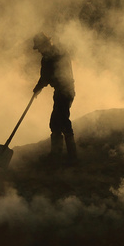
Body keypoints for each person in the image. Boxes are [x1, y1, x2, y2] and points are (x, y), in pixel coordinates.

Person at [32, 33, 77, 165]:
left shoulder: (55, 56)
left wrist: (39, 87)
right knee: (56, 122)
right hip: (62, 91)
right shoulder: (52, 55)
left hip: (65, 91)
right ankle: (59, 155)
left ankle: (70, 157)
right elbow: (45, 77)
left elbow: (49, 76)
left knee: (62, 121)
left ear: (45, 44)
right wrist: (37, 89)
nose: (39, 51)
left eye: (39, 47)